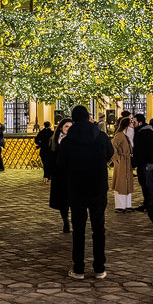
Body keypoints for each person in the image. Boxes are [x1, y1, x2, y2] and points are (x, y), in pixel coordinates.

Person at [58, 106, 112, 279]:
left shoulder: (67, 141)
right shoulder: (101, 136)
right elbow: (110, 154)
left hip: (77, 188)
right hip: (97, 187)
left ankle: (78, 268)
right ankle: (99, 268)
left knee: (79, 229)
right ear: (88, 118)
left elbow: (61, 165)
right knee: (99, 228)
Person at [49, 118, 73, 233]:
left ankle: (75, 220)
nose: (68, 129)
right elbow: (49, 159)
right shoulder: (54, 141)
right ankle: (65, 221)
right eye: (66, 126)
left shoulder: (75, 140)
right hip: (59, 175)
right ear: (61, 128)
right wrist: (48, 174)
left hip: (72, 174)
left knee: (73, 199)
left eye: (70, 126)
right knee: (62, 201)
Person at [132, 114, 153, 211]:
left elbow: (146, 149)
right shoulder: (139, 131)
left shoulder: (146, 132)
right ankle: (147, 203)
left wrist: (149, 161)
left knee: (148, 183)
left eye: (134, 122)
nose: (133, 124)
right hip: (141, 162)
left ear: (140, 122)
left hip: (147, 162)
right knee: (143, 182)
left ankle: (151, 204)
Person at [111, 117, 134, 212]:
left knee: (127, 182)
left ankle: (127, 204)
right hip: (122, 161)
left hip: (127, 161)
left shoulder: (125, 135)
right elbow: (112, 146)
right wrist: (117, 158)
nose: (132, 124)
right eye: (131, 122)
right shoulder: (120, 135)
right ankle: (120, 205)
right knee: (121, 182)